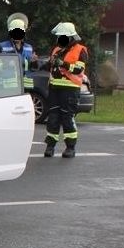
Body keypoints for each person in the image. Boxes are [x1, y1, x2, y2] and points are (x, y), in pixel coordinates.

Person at [42, 21, 90, 158]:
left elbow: (79, 69)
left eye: (62, 37)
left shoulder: (81, 50)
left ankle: (70, 147)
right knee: (53, 118)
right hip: (54, 88)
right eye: (59, 37)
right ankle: (50, 146)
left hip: (70, 90)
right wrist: (43, 63)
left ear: (70, 37)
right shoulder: (57, 50)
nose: (59, 40)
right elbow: (50, 67)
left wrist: (63, 64)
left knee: (67, 118)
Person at [0, 13, 37, 90]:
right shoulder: (2, 47)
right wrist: (7, 63)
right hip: (9, 87)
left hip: (26, 86)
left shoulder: (29, 48)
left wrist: (34, 62)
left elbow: (33, 69)